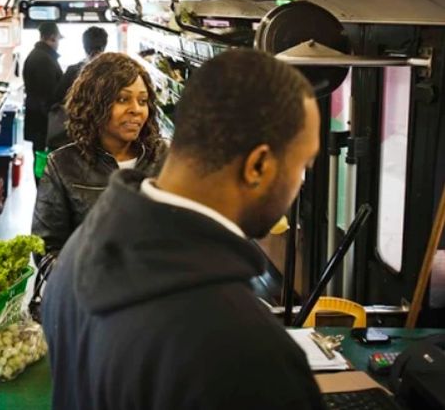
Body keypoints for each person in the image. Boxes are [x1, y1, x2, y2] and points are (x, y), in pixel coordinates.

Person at [42, 49, 323, 410]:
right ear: (258, 166)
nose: (300, 181)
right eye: (302, 164)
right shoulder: (246, 348)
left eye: (142, 101)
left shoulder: (81, 253)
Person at [33, 52, 168, 257]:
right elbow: (46, 249)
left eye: (142, 101)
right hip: (86, 287)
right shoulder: (62, 166)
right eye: (123, 99)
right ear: (94, 104)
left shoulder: (165, 158)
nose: (136, 110)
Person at [46, 26, 108, 150]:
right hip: (104, 134)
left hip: (75, 134)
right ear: (105, 45)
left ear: (84, 46)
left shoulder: (73, 71)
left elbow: (57, 98)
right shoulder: (113, 72)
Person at [22, 21, 64, 164]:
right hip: (43, 125)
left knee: (41, 159)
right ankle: (43, 185)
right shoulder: (43, 60)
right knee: (43, 161)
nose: (58, 43)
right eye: (58, 39)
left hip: (38, 122)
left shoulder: (38, 56)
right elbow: (47, 97)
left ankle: (42, 183)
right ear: (52, 37)